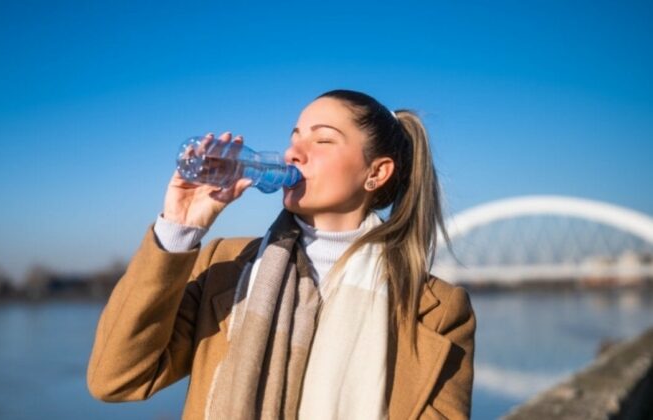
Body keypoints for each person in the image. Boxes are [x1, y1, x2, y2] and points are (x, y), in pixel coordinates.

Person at [87, 89, 476, 419]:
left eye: (322, 140)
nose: (293, 153)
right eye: (294, 137)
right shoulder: (226, 266)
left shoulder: (438, 310)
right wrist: (178, 227)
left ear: (376, 173)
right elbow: (117, 378)